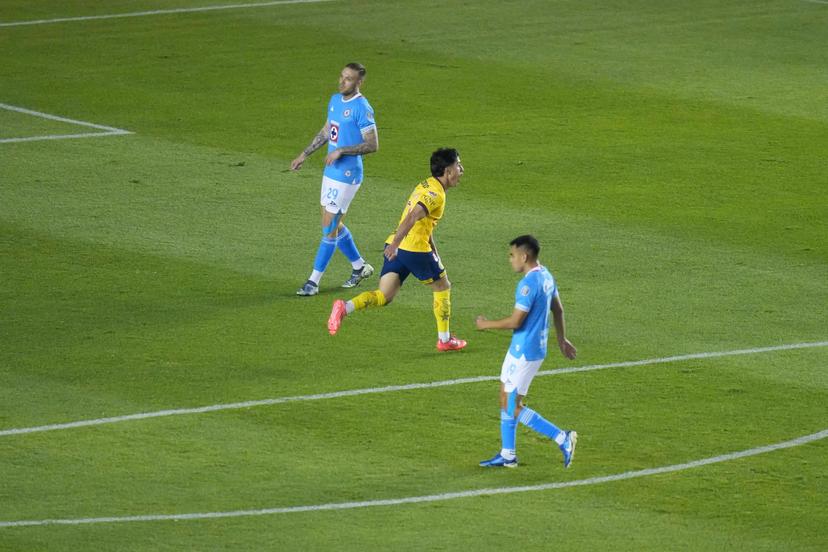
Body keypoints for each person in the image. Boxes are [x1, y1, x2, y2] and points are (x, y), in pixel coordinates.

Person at [327, 148, 467, 352]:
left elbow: (424, 225)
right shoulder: (436, 194)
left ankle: (344, 307)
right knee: (442, 287)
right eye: (458, 165)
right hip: (412, 248)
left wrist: (427, 248)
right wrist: (396, 246)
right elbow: (413, 217)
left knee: (384, 295)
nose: (461, 169)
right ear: (447, 170)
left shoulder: (426, 184)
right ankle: (444, 340)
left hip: (400, 244)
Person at [476, 235, 578, 468]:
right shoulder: (546, 276)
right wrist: (562, 340)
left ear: (524, 256)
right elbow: (558, 310)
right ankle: (508, 455)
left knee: (512, 406)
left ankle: (562, 437)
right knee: (504, 397)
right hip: (522, 348)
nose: (510, 260)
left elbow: (515, 321)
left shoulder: (528, 285)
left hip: (526, 351)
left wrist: (486, 324)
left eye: (512, 255)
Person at [290, 62, 378, 296]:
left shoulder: (362, 108)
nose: (342, 81)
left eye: (348, 79)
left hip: (348, 174)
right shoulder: (335, 100)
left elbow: (372, 144)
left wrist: (341, 151)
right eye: (341, 76)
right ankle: (359, 267)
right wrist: (305, 154)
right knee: (332, 224)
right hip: (330, 172)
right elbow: (328, 131)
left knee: (329, 228)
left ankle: (312, 282)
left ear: (359, 82)